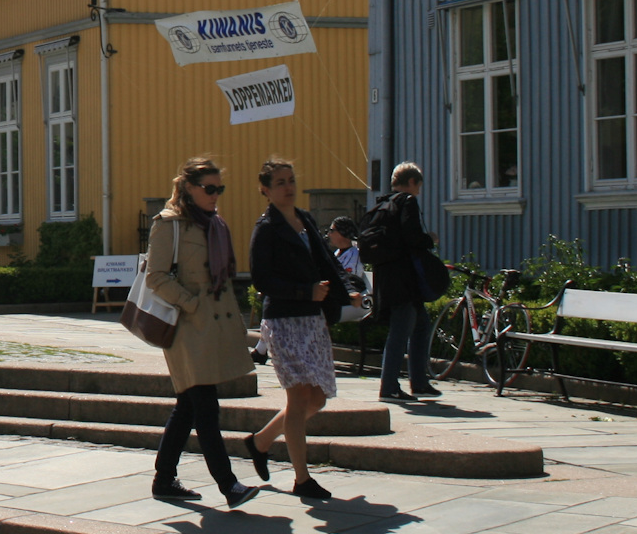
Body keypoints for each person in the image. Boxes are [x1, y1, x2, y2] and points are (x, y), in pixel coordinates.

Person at [145, 156, 261, 510]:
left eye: (219, 188)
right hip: (186, 328)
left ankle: (164, 479)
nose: (215, 195)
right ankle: (229, 485)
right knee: (206, 408)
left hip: (211, 328)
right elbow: (155, 277)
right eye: (209, 189)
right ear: (189, 188)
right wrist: (191, 303)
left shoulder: (215, 224)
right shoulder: (169, 224)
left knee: (188, 408)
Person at [246, 157, 361, 501]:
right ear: (265, 190)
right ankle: (302, 479)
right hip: (283, 321)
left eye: (291, 179)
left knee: (317, 399)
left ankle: (260, 442)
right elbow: (262, 279)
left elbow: (328, 261)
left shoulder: (306, 219)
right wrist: (303, 292)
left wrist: (347, 291)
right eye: (279, 182)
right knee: (297, 399)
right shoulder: (266, 228)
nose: (288, 186)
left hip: (313, 320)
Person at [369, 163, 440, 401]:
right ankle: (388, 387)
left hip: (387, 277)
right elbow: (412, 237)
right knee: (400, 332)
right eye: (418, 186)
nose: (419, 191)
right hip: (405, 280)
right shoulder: (407, 202)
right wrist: (429, 239)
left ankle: (419, 382)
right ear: (411, 182)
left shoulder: (382, 204)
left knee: (420, 325)